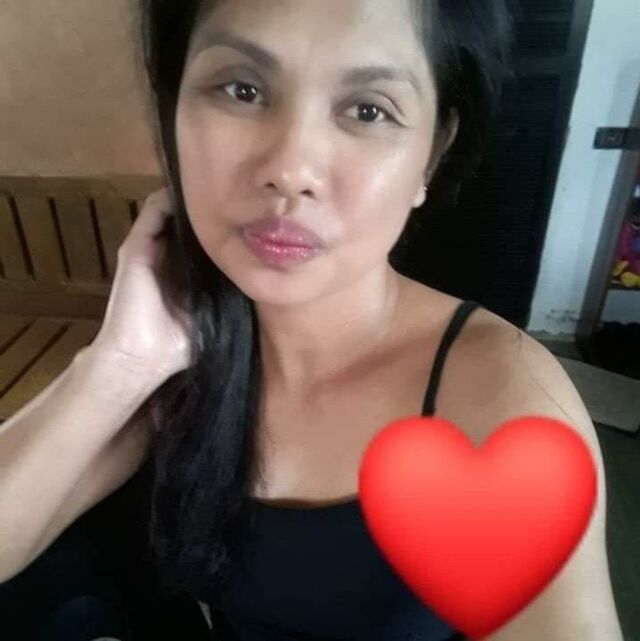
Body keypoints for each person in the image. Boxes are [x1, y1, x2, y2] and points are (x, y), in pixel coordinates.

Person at [0, 1, 623, 640]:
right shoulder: (184, 353)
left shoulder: (501, 396)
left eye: (368, 110)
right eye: (241, 90)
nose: (289, 170)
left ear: (432, 156)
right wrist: (119, 365)